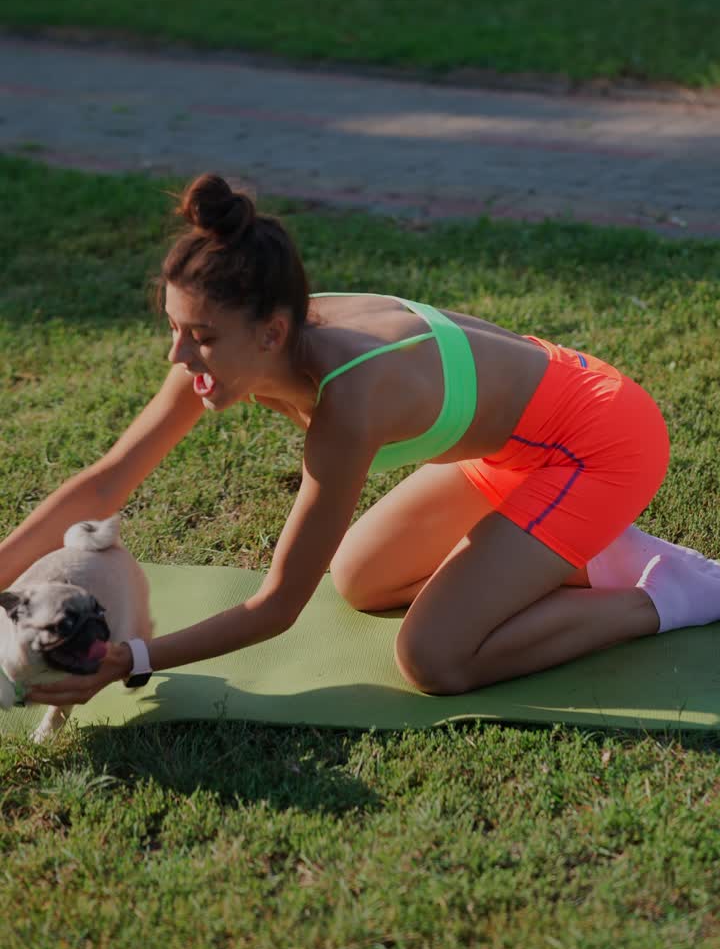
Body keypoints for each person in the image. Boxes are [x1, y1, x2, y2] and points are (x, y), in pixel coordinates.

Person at [5, 173, 719, 711]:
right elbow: (108, 482)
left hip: (600, 446)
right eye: (173, 328)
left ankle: (667, 596)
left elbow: (278, 604)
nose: (178, 356)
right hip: (521, 450)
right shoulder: (239, 335)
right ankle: (591, 551)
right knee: (361, 579)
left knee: (435, 659)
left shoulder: (350, 398)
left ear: (273, 333)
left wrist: (131, 659)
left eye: (199, 338)